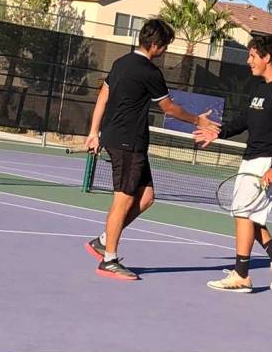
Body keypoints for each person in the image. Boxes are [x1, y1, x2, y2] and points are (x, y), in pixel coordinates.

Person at [83, 18, 220, 281]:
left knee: (146, 197)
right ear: (155, 44)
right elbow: (168, 107)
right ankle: (109, 260)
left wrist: (94, 132)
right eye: (165, 46)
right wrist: (197, 120)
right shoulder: (149, 72)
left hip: (125, 140)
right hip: (126, 142)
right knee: (122, 200)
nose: (166, 50)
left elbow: (103, 95)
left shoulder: (120, 63)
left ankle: (103, 240)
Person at [194, 35, 272, 293]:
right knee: (249, 215)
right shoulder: (260, 87)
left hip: (266, 159)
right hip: (252, 157)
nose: (248, 61)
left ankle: (242, 275)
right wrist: (218, 132)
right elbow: (244, 119)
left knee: (242, 212)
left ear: (266, 57)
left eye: (253, 56)